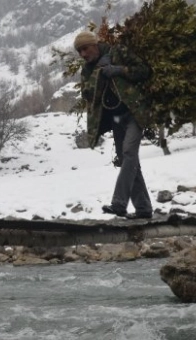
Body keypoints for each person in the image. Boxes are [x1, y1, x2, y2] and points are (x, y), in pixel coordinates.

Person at [74, 31, 153, 219]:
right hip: (116, 119)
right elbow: (87, 95)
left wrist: (119, 69)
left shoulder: (118, 53)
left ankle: (119, 203)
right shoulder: (87, 69)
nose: (83, 54)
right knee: (128, 161)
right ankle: (143, 209)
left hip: (134, 113)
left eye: (85, 48)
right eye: (79, 52)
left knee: (128, 153)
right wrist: (98, 74)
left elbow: (144, 71)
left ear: (94, 44)